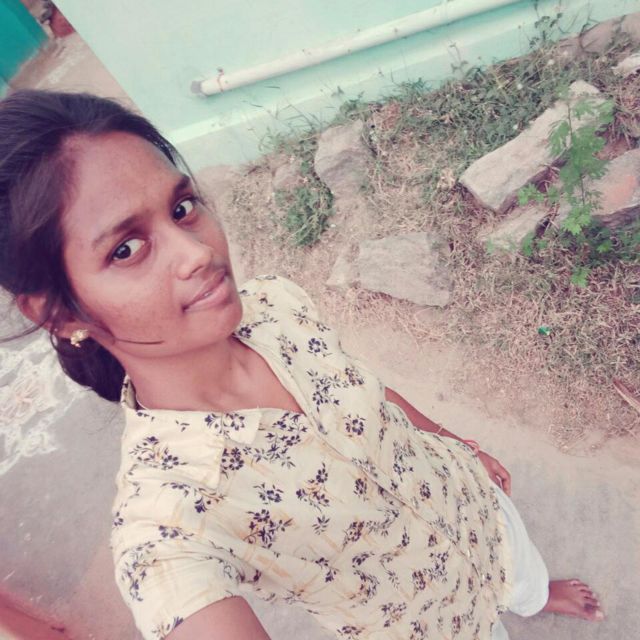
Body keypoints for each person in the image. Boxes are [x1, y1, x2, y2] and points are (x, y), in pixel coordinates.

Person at [0, 90, 605, 640]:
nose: (198, 252)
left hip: (471, 506)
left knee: (520, 566)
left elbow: (366, 392)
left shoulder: (275, 305)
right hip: (435, 627)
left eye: (182, 208)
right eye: (127, 249)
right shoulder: (168, 521)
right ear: (58, 311)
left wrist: (453, 442)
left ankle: (534, 594)